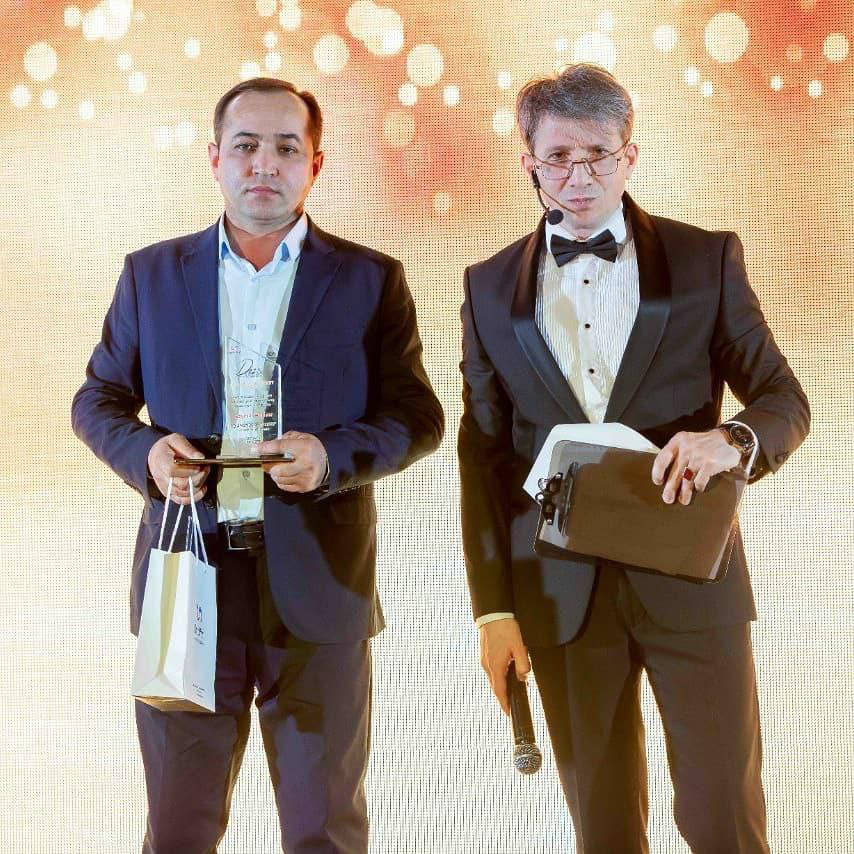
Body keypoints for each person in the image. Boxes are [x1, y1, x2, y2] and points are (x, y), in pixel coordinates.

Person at [72, 77, 443, 853]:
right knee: (178, 828)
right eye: (245, 146)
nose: (264, 164)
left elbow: (418, 418)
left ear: (316, 164)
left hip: (320, 590)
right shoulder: (152, 274)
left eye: (285, 148)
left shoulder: (370, 280)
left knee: (325, 831)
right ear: (215, 158)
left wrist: (332, 457)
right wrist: (147, 453)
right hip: (189, 579)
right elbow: (97, 400)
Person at [458, 64, 809, 853]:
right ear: (529, 162)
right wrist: (493, 610)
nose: (579, 177)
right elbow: (481, 457)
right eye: (558, 158)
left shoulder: (704, 259)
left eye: (598, 155)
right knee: (603, 829)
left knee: (724, 817)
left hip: (693, 577)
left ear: (631, 155)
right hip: (560, 594)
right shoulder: (487, 288)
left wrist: (731, 441)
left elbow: (785, 399)